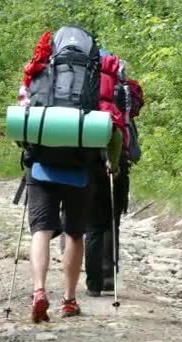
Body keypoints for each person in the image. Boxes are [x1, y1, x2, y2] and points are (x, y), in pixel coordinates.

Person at [18, 27, 124, 322]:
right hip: (80, 167)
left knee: (40, 230)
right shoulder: (96, 78)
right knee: (75, 233)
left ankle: (39, 291)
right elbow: (114, 132)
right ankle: (68, 299)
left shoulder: (42, 71)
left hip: (41, 167)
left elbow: (23, 118)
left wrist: (27, 147)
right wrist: (112, 164)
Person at [84, 52, 127, 297]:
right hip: (114, 159)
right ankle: (109, 276)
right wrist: (115, 161)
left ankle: (93, 284)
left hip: (84, 160)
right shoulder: (121, 89)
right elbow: (123, 127)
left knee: (91, 226)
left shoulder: (78, 90)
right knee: (111, 220)